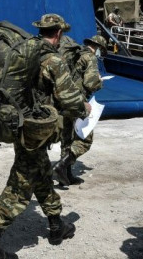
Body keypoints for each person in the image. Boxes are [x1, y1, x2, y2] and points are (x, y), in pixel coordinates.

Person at [0, 14, 90, 259]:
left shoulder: (27, 50)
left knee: (41, 173)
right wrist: (85, 108)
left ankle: (57, 225)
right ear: (58, 33)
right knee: (19, 185)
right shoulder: (52, 59)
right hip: (34, 130)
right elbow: (70, 100)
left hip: (21, 123)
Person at [52, 35, 106, 187]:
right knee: (85, 138)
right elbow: (90, 83)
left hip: (63, 100)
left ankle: (66, 176)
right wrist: (99, 82)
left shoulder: (75, 54)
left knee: (67, 137)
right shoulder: (90, 58)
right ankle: (62, 165)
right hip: (77, 102)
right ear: (98, 48)